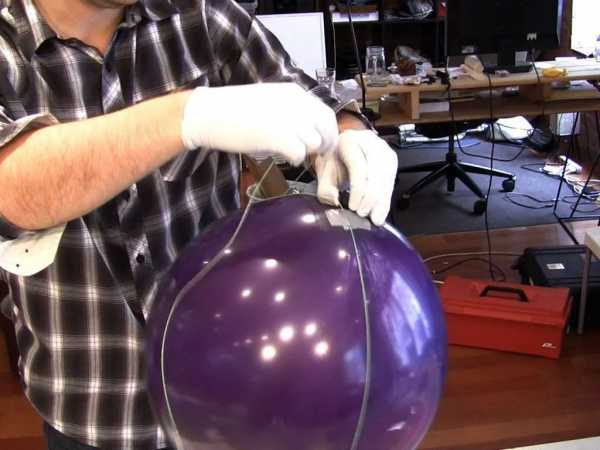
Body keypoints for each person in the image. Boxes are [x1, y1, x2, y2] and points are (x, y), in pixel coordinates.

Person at [0, 0, 398, 449]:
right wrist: (187, 117)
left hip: (228, 393)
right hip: (96, 404)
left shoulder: (204, 15)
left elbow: (309, 99)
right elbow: (10, 192)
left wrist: (348, 134)